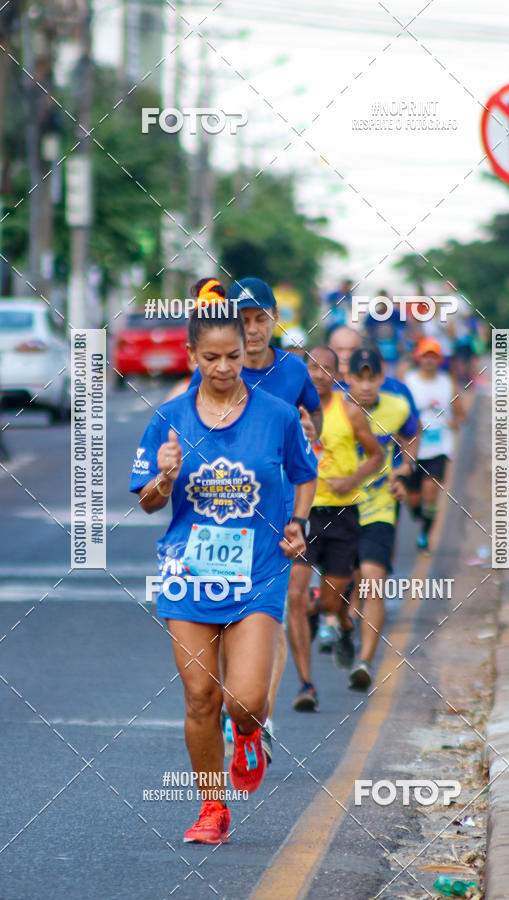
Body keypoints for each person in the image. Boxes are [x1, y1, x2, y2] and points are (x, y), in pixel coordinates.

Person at [130, 299, 317, 844]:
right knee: (199, 697)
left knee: (244, 699)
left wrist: (299, 521)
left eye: (232, 356)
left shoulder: (277, 416)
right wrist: (164, 478)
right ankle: (213, 807)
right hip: (188, 574)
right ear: (191, 354)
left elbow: (305, 472)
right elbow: (147, 502)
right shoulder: (169, 419)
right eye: (210, 357)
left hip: (257, 570)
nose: (222, 367)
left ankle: (250, 733)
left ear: (245, 352)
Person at [185, 277, 323, 764]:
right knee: (223, 619)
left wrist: (309, 434)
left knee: (275, 610)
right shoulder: (216, 368)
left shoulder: (292, 370)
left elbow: (314, 421)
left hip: (278, 512)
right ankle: (236, 705)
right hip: (219, 518)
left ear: (273, 319)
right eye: (244, 321)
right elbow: (188, 424)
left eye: (260, 319)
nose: (253, 329)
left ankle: (257, 711)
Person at [286, 346, 384, 711]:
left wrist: (352, 478)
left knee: (331, 600)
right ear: (304, 370)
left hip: (342, 513)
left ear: (336, 373)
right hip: (303, 510)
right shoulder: (291, 411)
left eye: (327, 368)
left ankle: (341, 623)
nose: (319, 374)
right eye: (313, 367)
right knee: (295, 595)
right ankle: (306, 685)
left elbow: (376, 455)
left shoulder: (349, 410)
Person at [345, 347, 418, 690]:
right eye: (358, 377)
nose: (365, 384)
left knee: (374, 579)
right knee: (344, 584)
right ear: (348, 377)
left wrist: (404, 468)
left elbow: (411, 435)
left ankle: (365, 662)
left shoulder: (397, 406)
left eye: (371, 376)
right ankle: (343, 626)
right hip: (339, 509)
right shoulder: (335, 409)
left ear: (380, 376)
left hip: (379, 506)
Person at [403, 337, 465, 553]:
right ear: (418, 358)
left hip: (439, 446)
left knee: (431, 491)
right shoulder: (409, 381)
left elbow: (460, 413)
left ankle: (424, 536)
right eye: (425, 356)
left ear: (439, 360)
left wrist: (455, 421)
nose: (429, 361)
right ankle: (421, 516)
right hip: (413, 446)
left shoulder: (447, 382)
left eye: (433, 357)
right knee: (413, 500)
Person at [363, 290, 407, 378]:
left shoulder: (396, 315)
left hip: (394, 353)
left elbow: (403, 331)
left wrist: (401, 344)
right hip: (378, 352)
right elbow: (367, 334)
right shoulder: (371, 316)